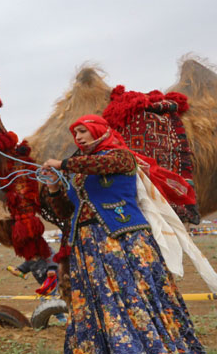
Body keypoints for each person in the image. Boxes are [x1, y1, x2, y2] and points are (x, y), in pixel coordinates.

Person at [40, 114, 211, 353]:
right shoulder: (79, 171)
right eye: (75, 134)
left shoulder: (121, 156)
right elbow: (66, 212)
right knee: (97, 300)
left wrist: (63, 164)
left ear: (98, 130)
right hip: (88, 247)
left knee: (135, 294)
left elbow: (101, 166)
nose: (78, 137)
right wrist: (54, 187)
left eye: (82, 131)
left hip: (124, 241)